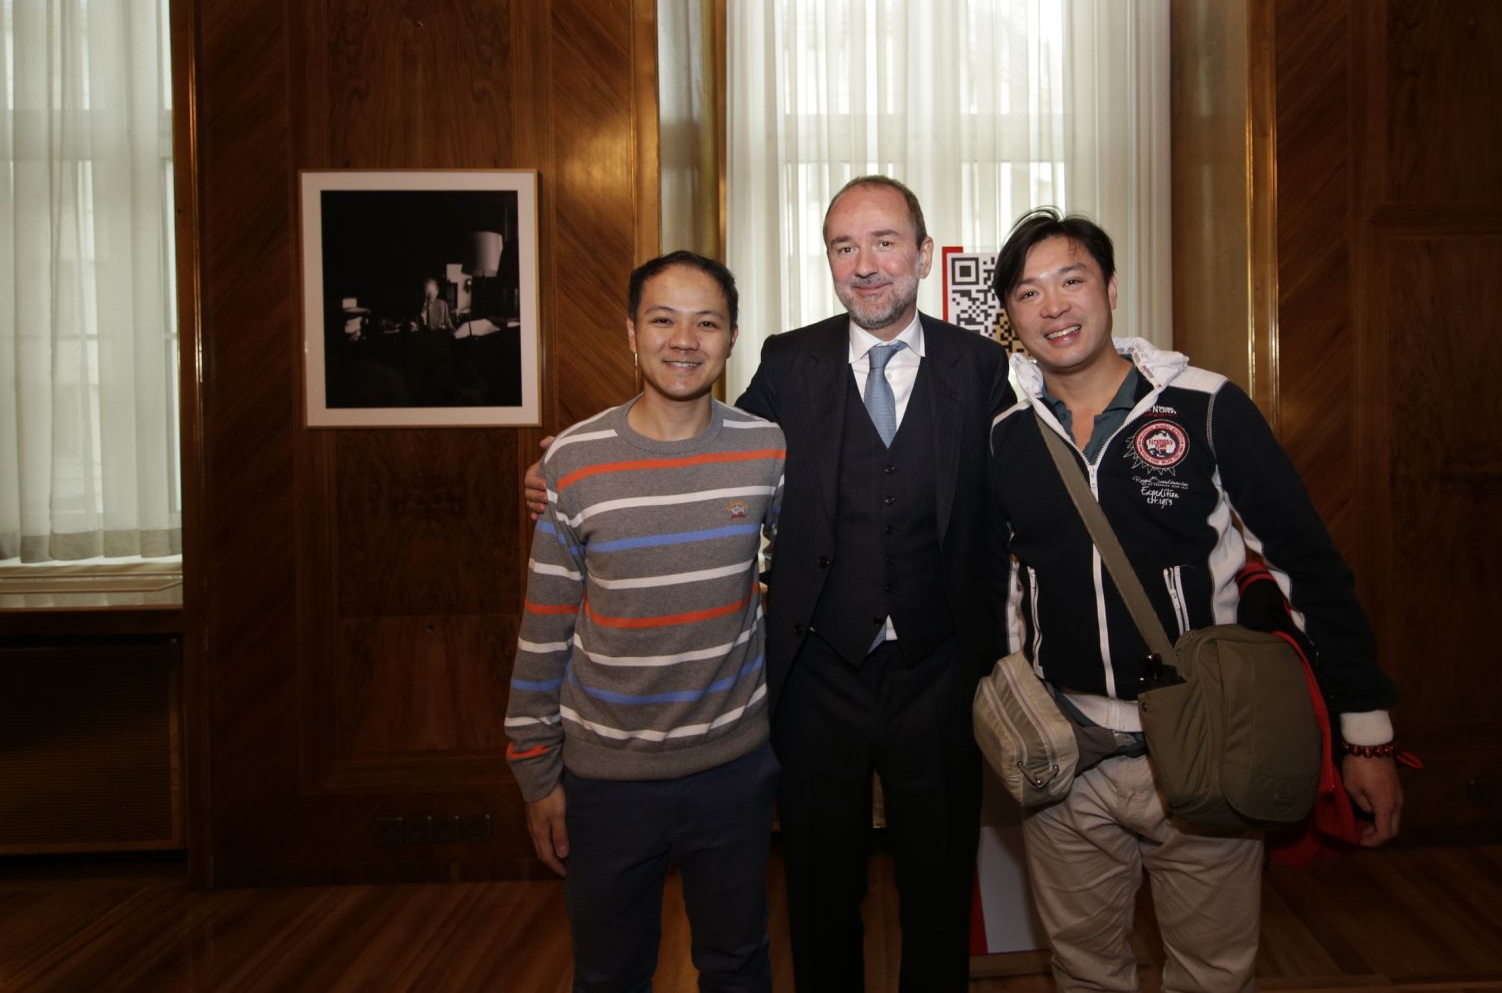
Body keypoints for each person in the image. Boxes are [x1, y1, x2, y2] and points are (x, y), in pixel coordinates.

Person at [525, 176, 1015, 991]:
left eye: (885, 241)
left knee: (937, 890)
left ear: (923, 254)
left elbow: (1025, 484)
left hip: (941, 674)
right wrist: (565, 470)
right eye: (844, 246)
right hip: (817, 678)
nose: (865, 264)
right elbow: (705, 441)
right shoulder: (791, 360)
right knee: (822, 895)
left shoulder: (980, 364)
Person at [985, 209, 1403, 993]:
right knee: (1083, 972)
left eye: (1071, 280)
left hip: (1205, 749)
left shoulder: (1207, 406)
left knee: (1213, 975)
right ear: (1011, 319)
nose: (1055, 307)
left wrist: (1366, 733)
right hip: (1065, 757)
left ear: (1110, 288)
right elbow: (1006, 587)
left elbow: (1307, 566)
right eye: (1029, 293)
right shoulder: (1006, 436)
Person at [505, 251, 785, 993]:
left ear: (731, 339)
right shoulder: (574, 460)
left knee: (737, 962)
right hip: (605, 779)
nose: (684, 339)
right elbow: (544, 624)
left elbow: (817, 556)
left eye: (707, 322)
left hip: (731, 767)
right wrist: (535, 771)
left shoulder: (766, 450)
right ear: (631, 333)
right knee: (609, 972)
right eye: (663, 319)